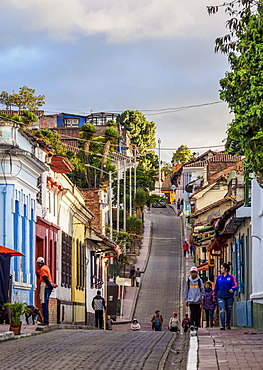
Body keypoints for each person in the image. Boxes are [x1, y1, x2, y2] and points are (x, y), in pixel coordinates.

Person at [213, 262, 238, 330]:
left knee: (229, 310)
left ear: (226, 269)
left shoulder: (231, 277)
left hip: (229, 295)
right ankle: (223, 325)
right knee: (222, 309)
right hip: (220, 295)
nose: (220, 269)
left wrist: (232, 289)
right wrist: (214, 295)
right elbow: (215, 287)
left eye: (222, 268)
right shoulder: (218, 278)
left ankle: (228, 324)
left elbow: (235, 285)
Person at [36, 256, 57, 325]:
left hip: (45, 286)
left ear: (39, 263)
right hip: (47, 286)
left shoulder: (42, 269)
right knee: (46, 304)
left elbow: (45, 278)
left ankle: (46, 321)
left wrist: (50, 286)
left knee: (44, 304)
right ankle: (46, 320)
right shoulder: (46, 267)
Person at [184, 266, 204, 332]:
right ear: (190, 273)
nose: (193, 274)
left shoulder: (199, 281)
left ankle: (197, 325)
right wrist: (186, 299)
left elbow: (202, 289)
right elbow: (186, 290)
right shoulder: (188, 281)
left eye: (194, 272)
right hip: (191, 300)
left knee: (197, 313)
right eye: (192, 272)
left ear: (197, 273)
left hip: (198, 300)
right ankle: (192, 324)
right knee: (192, 312)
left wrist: (202, 298)